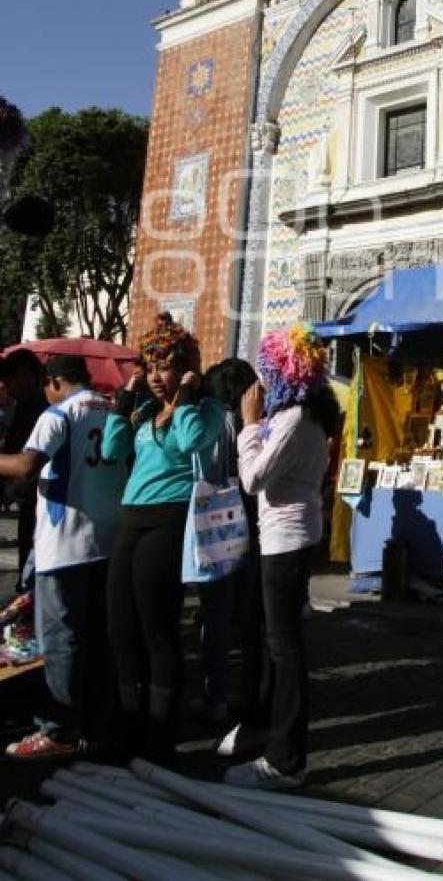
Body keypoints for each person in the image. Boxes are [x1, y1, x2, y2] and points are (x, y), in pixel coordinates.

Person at [101, 312, 224, 761]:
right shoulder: (146, 411)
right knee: (119, 626)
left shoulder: (206, 410)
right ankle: (128, 724)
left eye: (164, 367)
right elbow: (112, 451)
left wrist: (189, 391)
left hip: (169, 519)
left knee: (156, 628)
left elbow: (193, 441)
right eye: (149, 367)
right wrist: (122, 402)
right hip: (132, 518)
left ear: (186, 366)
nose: (155, 377)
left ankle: (159, 733)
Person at [224, 322, 340, 790]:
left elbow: (253, 479)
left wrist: (250, 425)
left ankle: (286, 760)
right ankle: (269, 733)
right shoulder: (309, 416)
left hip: (285, 544)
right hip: (289, 538)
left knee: (285, 649)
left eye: (270, 371)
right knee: (278, 645)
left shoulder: (293, 422)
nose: (264, 382)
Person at [0, 354, 127, 758]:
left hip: (65, 543)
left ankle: (58, 730)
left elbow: (26, 464)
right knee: (96, 639)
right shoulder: (113, 409)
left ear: (54, 381)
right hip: (106, 540)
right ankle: (96, 724)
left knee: (60, 641)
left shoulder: (58, 414)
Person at [189, 356, 259, 725]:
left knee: (215, 612)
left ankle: (216, 692)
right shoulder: (256, 425)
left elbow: (210, 475)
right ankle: (249, 690)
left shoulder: (217, 422)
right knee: (246, 613)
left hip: (217, 524)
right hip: (251, 521)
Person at [0, 349, 47, 589]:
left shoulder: (44, 411)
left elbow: (24, 464)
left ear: (25, 375)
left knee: (34, 575)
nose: (6, 386)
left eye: (9, 378)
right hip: (29, 503)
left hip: (43, 505)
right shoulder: (24, 407)